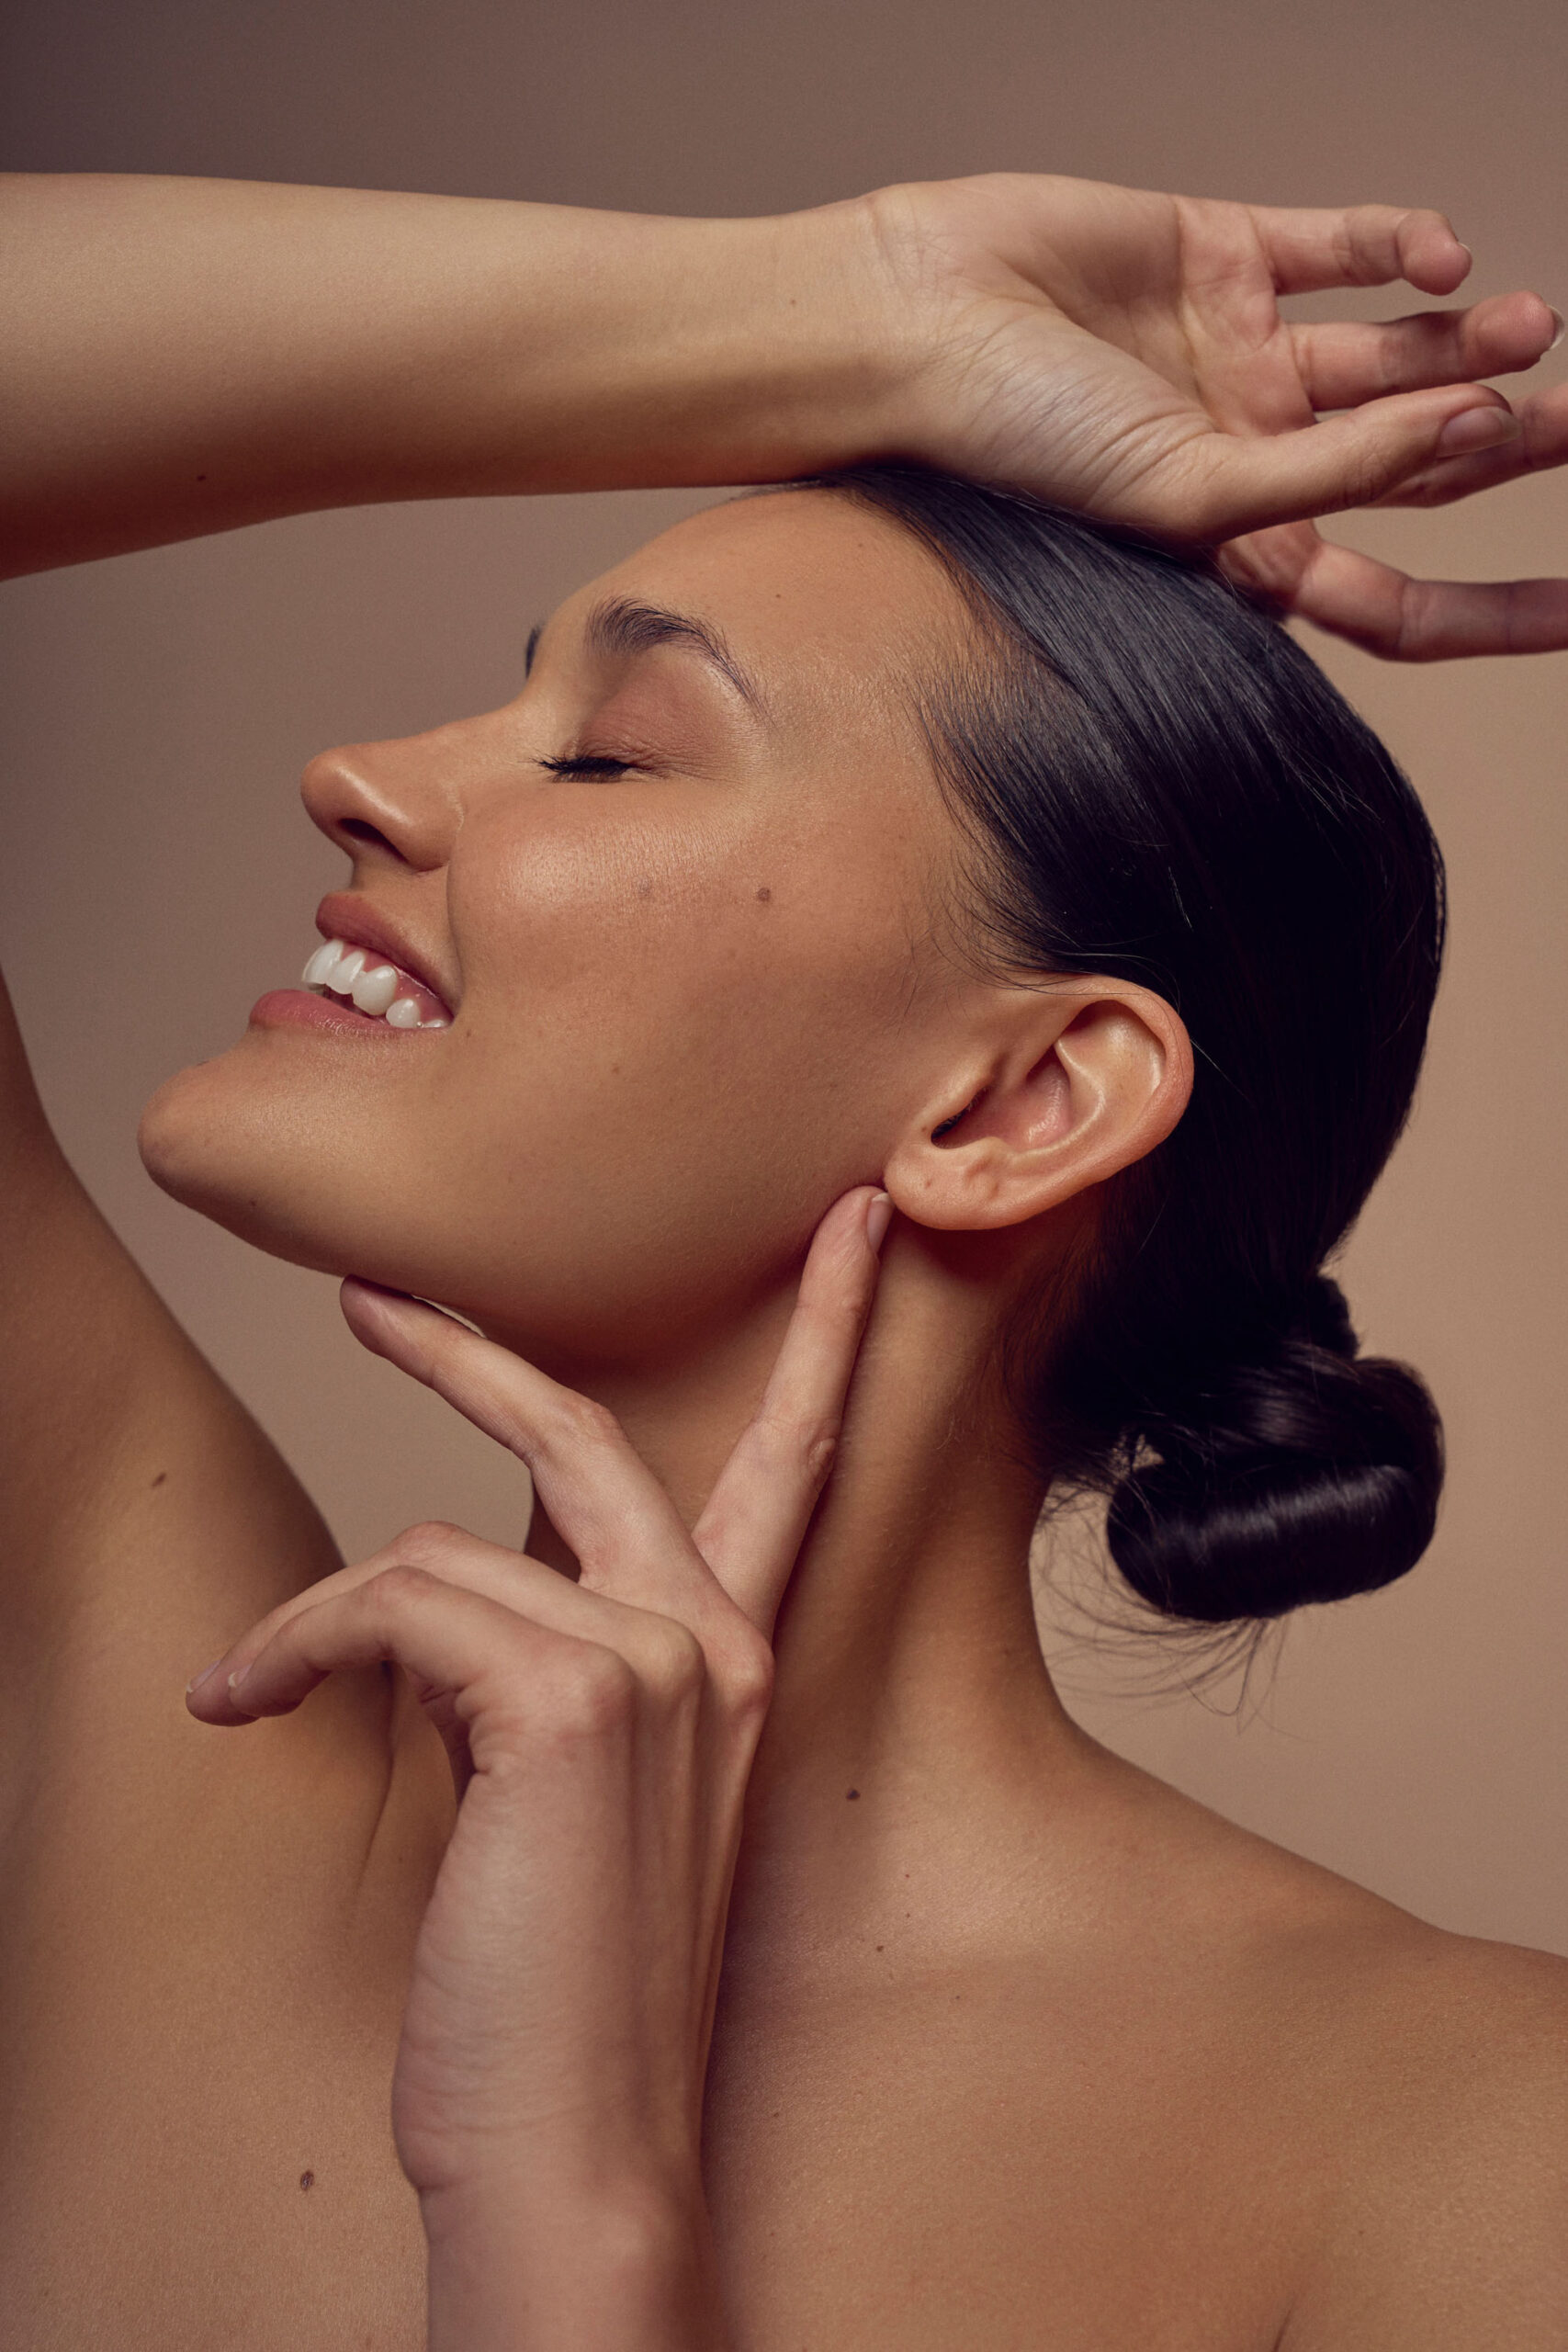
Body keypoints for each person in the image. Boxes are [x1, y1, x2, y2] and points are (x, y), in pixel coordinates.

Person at [2, 169, 1565, 2351]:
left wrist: (569, 2219)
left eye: (609, 750)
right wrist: (836, 305)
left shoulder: (1477, 2157)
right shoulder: (169, 1737)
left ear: (1016, 1104)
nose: (349, 780)